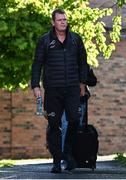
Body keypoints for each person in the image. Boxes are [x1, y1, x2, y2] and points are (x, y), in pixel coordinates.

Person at [31, 9, 88, 173]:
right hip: (53, 90)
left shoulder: (76, 39)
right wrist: (36, 86)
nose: (63, 22)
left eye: (65, 19)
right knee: (54, 125)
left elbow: (83, 63)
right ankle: (56, 160)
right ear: (53, 22)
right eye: (60, 20)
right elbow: (37, 65)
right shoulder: (45, 40)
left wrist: (82, 83)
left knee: (75, 119)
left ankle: (68, 151)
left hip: (72, 89)